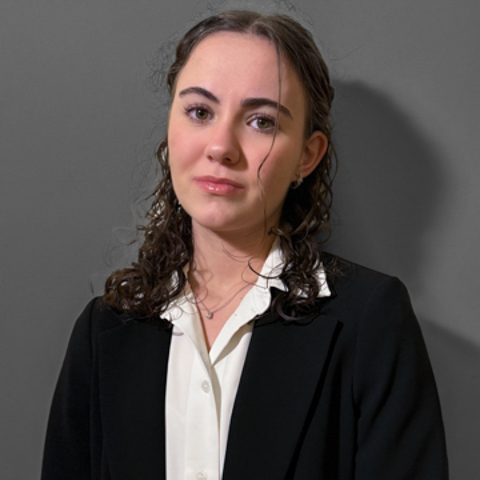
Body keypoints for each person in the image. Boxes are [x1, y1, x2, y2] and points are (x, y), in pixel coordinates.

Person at [41, 10, 448, 480]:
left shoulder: (370, 322)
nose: (221, 147)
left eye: (261, 121)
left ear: (307, 156)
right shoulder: (104, 330)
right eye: (200, 112)